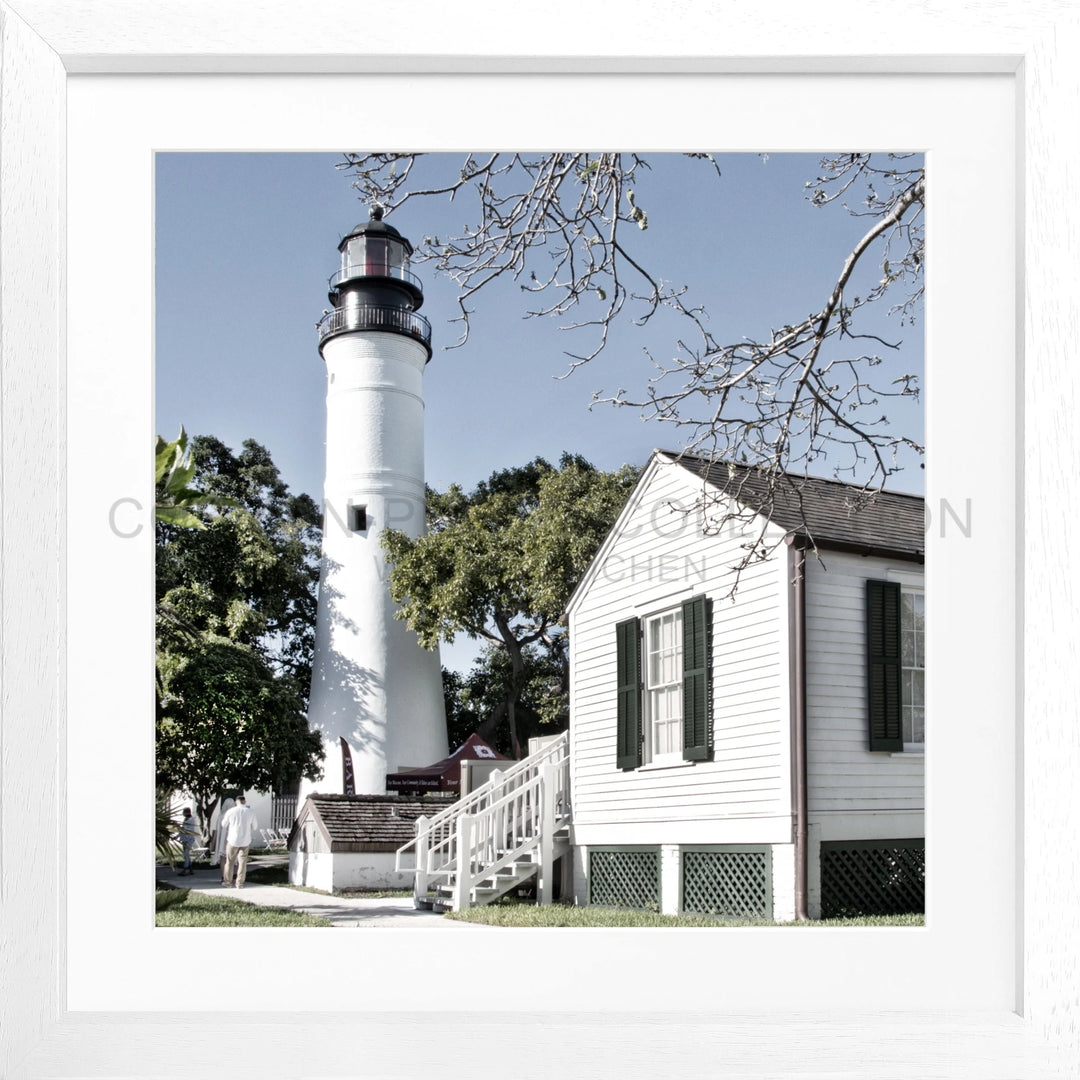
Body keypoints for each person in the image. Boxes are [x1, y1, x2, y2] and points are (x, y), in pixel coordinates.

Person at [220, 793, 258, 888]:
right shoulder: (251, 812)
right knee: (242, 863)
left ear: (236, 802)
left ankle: (228, 882)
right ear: (244, 801)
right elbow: (255, 827)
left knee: (229, 862)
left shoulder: (231, 811)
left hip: (233, 839)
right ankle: (240, 883)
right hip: (245, 840)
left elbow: (223, 824)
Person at [213, 797, 235, 882]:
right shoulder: (233, 816)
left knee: (223, 859)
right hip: (230, 840)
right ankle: (229, 876)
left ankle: (223, 876)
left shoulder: (220, 816)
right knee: (230, 859)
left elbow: (218, 830)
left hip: (222, 840)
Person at [175, 807, 199, 876]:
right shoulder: (186, 819)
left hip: (189, 839)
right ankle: (190, 869)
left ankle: (185, 869)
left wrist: (179, 827)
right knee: (186, 854)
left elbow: (186, 829)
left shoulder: (191, 820)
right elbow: (182, 831)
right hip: (184, 839)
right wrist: (177, 837)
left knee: (186, 854)